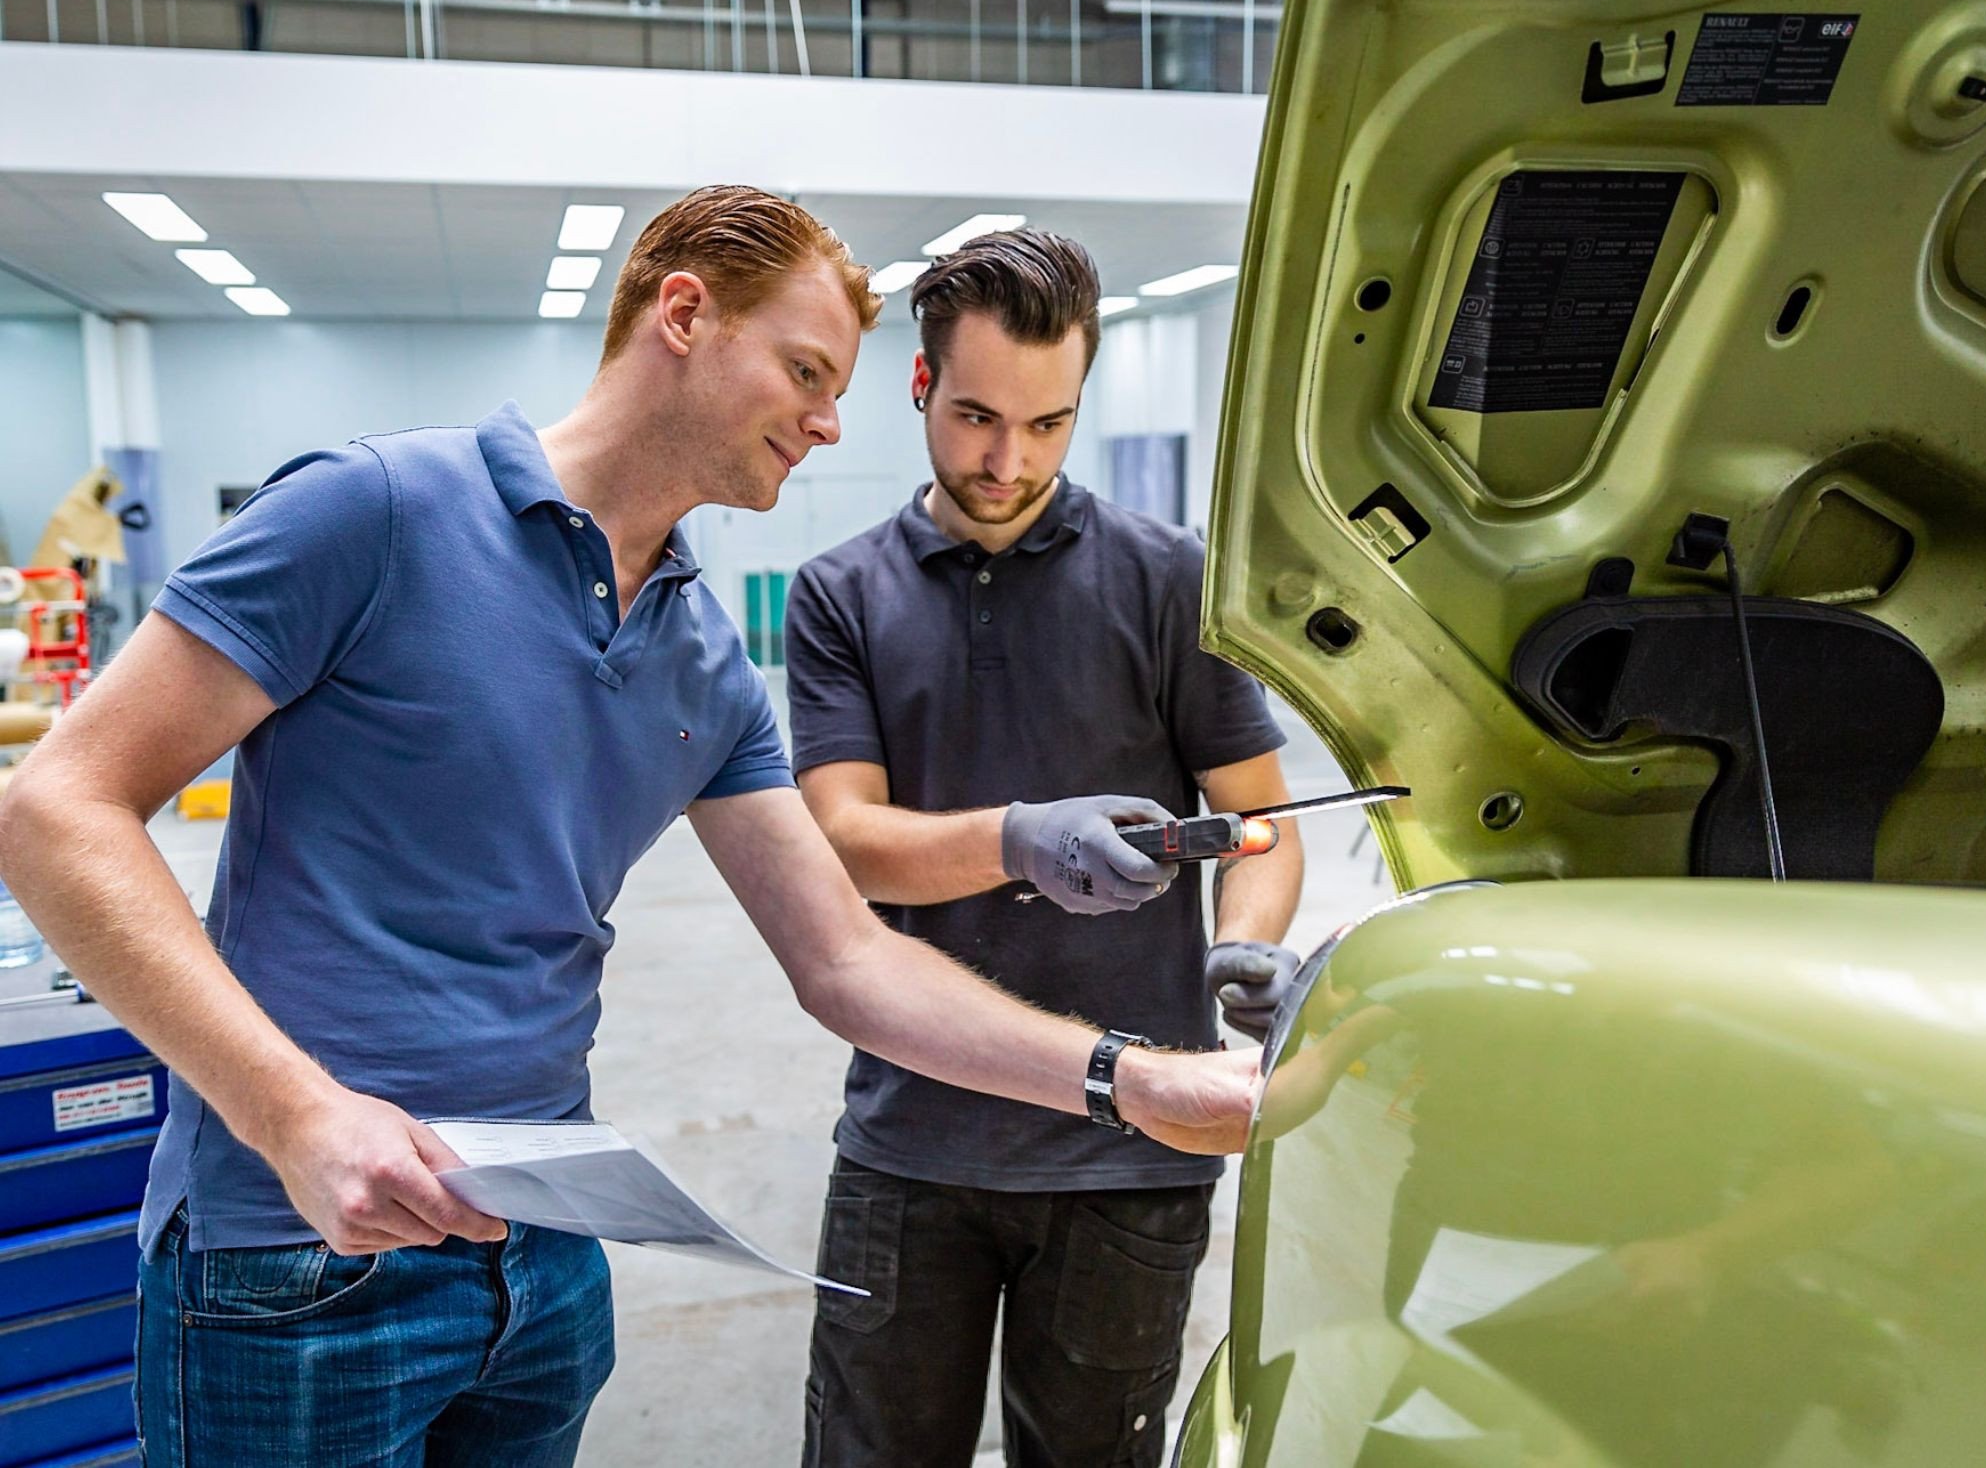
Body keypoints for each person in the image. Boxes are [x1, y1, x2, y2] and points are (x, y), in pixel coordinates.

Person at [0, 187, 1259, 1468]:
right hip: (296, 1258)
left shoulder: (704, 657)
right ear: (683, 315)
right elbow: (57, 807)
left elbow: (848, 959)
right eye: (806, 371)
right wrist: (293, 1115)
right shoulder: (374, 512)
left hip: (537, 1257)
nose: (831, 423)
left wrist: (1129, 1078)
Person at [784, 229, 1304, 1468]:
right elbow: (845, 846)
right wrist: (1022, 841)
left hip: (1131, 1158)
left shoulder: (1172, 582)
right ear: (918, 387)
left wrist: (1239, 944)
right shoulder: (839, 595)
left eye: (1046, 425)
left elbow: (1265, 827)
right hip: (913, 1144)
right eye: (971, 418)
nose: (1005, 461)